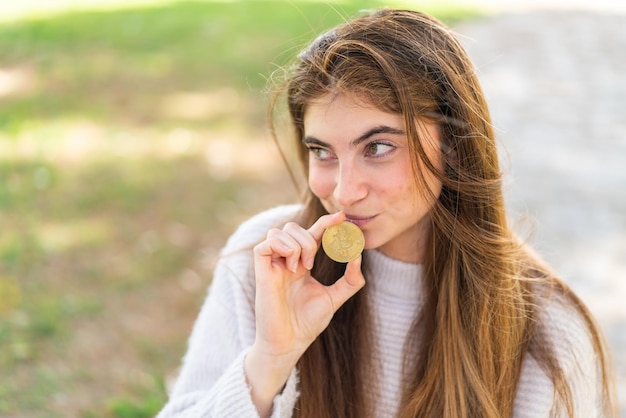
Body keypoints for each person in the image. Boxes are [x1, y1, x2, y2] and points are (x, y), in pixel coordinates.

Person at [156, 8, 617, 418]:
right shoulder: (267, 264)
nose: (344, 191)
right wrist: (271, 358)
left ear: (453, 146)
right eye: (322, 151)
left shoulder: (548, 331)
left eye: (377, 147)